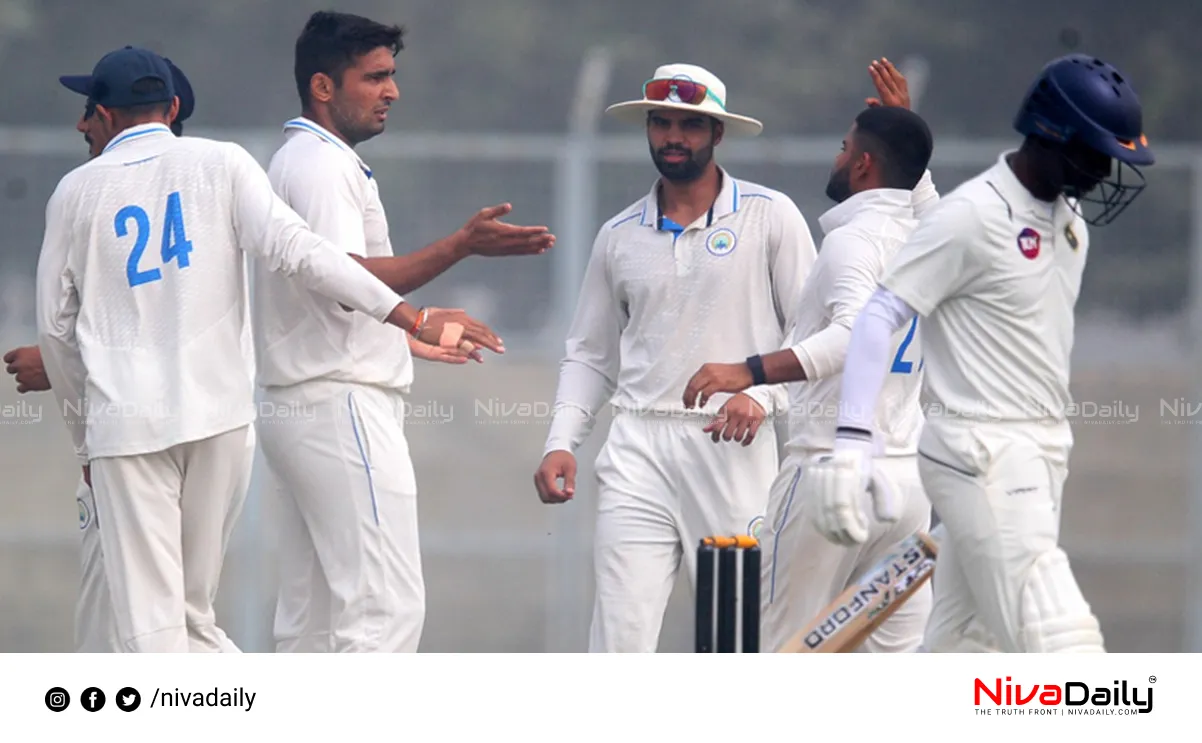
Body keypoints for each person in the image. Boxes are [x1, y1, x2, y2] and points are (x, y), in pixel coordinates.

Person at [34, 45, 494, 653]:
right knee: (196, 621)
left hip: (128, 428)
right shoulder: (223, 163)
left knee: (152, 632)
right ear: (172, 107)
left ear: (104, 115)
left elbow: (56, 332)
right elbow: (304, 253)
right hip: (221, 421)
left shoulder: (75, 190)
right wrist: (410, 317)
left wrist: (83, 440)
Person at [802, 53, 1154, 653]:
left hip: (1043, 452)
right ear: (1051, 135)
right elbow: (879, 315)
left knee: (969, 646)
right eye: (1096, 153)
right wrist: (853, 445)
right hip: (979, 452)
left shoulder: (1071, 225)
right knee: (1059, 641)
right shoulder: (974, 214)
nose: (1104, 172)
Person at [257, 11, 554, 654]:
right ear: (323, 87)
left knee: (313, 626)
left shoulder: (304, 159)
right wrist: (460, 246)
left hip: (305, 404)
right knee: (383, 612)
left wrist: (406, 336)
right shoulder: (319, 164)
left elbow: (325, 288)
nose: (392, 91)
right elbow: (343, 276)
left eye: (392, 76)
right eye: (376, 77)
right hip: (339, 405)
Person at [533, 63, 817, 652]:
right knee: (619, 638)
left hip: (730, 450)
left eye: (689, 125)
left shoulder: (770, 215)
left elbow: (816, 335)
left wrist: (761, 395)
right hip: (637, 448)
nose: (672, 137)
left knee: (736, 639)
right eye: (660, 123)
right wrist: (559, 441)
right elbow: (589, 353)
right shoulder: (619, 234)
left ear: (717, 133)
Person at [682, 60, 941, 652]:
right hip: (906, 483)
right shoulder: (928, 241)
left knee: (782, 651)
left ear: (863, 164)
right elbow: (929, 206)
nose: (838, 156)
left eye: (845, 146)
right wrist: (908, 129)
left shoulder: (851, 240)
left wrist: (746, 371)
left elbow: (855, 336)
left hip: (830, 471)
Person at [4, 55, 197, 652]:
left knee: (130, 631)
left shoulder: (130, 206)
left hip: (131, 446)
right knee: (146, 627)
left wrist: (65, 375)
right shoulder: (139, 208)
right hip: (157, 440)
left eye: (91, 111)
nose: (82, 125)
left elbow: (147, 345)